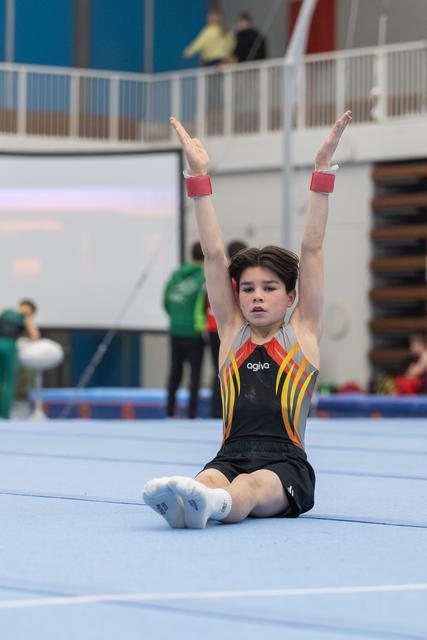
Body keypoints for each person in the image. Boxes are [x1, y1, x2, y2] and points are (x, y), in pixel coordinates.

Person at [144, 110, 352, 528]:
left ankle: (212, 506)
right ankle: (192, 506)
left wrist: (321, 172)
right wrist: (198, 178)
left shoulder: (303, 332)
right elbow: (214, 254)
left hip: (285, 466)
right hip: (229, 455)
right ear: (236, 295)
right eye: (248, 289)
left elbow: (311, 248)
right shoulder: (231, 334)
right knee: (206, 478)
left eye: (270, 288)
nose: (257, 297)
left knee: (249, 488)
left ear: (291, 295)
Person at [163, 242, 206, 419]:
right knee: (195, 374)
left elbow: (166, 301)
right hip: (195, 331)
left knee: (175, 371)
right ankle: (191, 413)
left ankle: (170, 411)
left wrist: (176, 318)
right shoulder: (204, 277)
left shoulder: (175, 276)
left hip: (175, 330)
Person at [207, 239, 247, 418]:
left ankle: (216, 411)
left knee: (220, 369)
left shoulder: (219, 276)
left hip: (212, 328)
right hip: (228, 329)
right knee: (234, 369)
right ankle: (225, 410)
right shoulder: (238, 275)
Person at [0, 299, 39, 419]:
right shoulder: (25, 318)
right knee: (8, 382)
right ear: (31, 311)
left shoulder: (4, 312)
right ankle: (4, 415)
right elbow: (34, 336)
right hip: (9, 346)